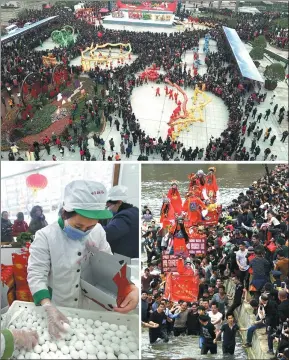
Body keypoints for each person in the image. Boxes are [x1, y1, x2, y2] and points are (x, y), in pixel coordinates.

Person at [27, 180, 139, 339]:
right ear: (65, 213)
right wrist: (47, 306)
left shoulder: (98, 231)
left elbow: (109, 265)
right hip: (58, 306)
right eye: (78, 226)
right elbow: (36, 275)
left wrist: (129, 287)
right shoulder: (45, 236)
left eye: (90, 227)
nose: (85, 231)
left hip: (88, 305)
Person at [99, 185, 139, 258]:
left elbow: (109, 233)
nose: (108, 208)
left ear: (119, 202)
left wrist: (91, 228)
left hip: (125, 257)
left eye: (109, 206)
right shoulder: (133, 210)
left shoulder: (126, 216)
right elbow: (107, 219)